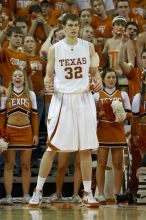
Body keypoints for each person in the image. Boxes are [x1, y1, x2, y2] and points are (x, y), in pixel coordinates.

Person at [29, 13, 102, 206]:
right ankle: (37, 191)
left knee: (85, 148)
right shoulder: (55, 49)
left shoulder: (88, 46)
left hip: (84, 99)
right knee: (51, 148)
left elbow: (95, 68)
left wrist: (98, 79)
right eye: (70, 25)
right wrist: (47, 81)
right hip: (62, 100)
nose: (73, 28)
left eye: (76, 25)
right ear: (63, 27)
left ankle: (87, 193)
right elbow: (48, 74)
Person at [0, 69, 39, 204]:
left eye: (20, 75)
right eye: (15, 75)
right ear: (11, 79)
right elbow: (2, 116)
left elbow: (34, 116)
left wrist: (35, 134)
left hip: (26, 133)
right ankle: (9, 196)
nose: (18, 77)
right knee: (9, 165)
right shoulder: (6, 94)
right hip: (10, 133)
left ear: (24, 79)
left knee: (26, 165)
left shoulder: (31, 94)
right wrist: (1, 135)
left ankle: (26, 195)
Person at [94, 68, 131, 203]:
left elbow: (130, 114)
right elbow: (92, 117)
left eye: (113, 77)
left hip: (117, 132)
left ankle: (117, 194)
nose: (111, 80)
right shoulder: (97, 95)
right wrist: (100, 115)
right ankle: (101, 194)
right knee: (101, 164)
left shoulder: (123, 95)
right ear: (103, 79)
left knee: (118, 164)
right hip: (103, 132)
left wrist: (121, 115)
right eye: (108, 77)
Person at [118, 36, 146, 193]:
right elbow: (120, 63)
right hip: (138, 121)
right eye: (143, 58)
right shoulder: (135, 73)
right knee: (137, 156)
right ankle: (137, 191)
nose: (145, 60)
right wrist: (123, 46)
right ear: (140, 60)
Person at [132, 71, 146, 158]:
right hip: (143, 135)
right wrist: (136, 137)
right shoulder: (138, 97)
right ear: (144, 80)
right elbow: (135, 120)